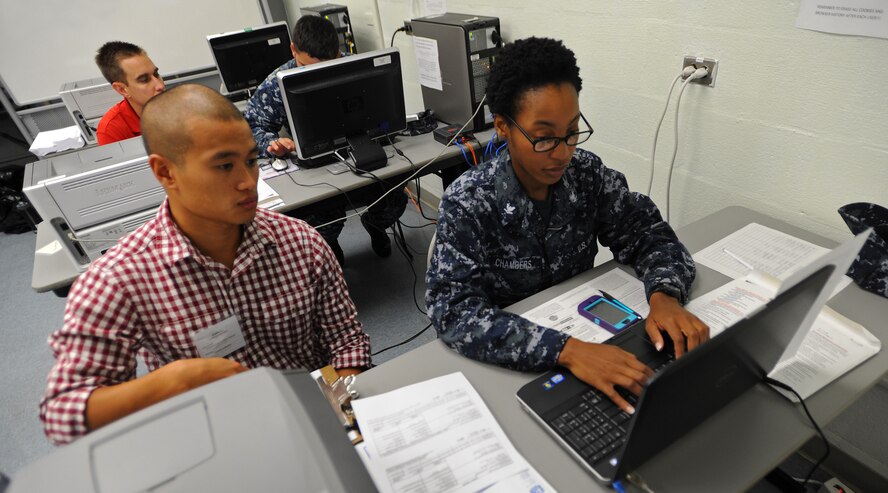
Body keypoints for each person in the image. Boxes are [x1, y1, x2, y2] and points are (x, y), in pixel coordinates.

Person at [40, 85, 371, 445]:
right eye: (224, 165)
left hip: (314, 412)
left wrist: (342, 415)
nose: (247, 182)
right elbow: (62, 415)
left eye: (251, 160)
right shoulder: (120, 278)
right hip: (214, 434)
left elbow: (347, 340)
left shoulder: (300, 241)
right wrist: (172, 383)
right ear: (165, 172)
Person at [425, 37, 710, 415]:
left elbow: (647, 233)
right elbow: (454, 311)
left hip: (588, 328)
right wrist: (567, 351)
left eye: (572, 132)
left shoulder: (586, 175)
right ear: (503, 128)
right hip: (508, 366)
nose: (562, 153)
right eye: (543, 138)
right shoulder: (470, 201)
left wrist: (664, 297)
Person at [244, 15, 406, 265]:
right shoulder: (278, 82)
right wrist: (272, 143)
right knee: (323, 221)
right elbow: (252, 125)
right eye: (310, 67)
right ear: (293, 50)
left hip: (361, 152)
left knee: (396, 198)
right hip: (316, 170)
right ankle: (328, 247)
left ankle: (374, 225)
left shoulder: (356, 66)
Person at [94, 41, 165, 145]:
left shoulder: (182, 105)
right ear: (122, 90)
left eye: (156, 74)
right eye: (144, 80)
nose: (160, 86)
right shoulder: (111, 130)